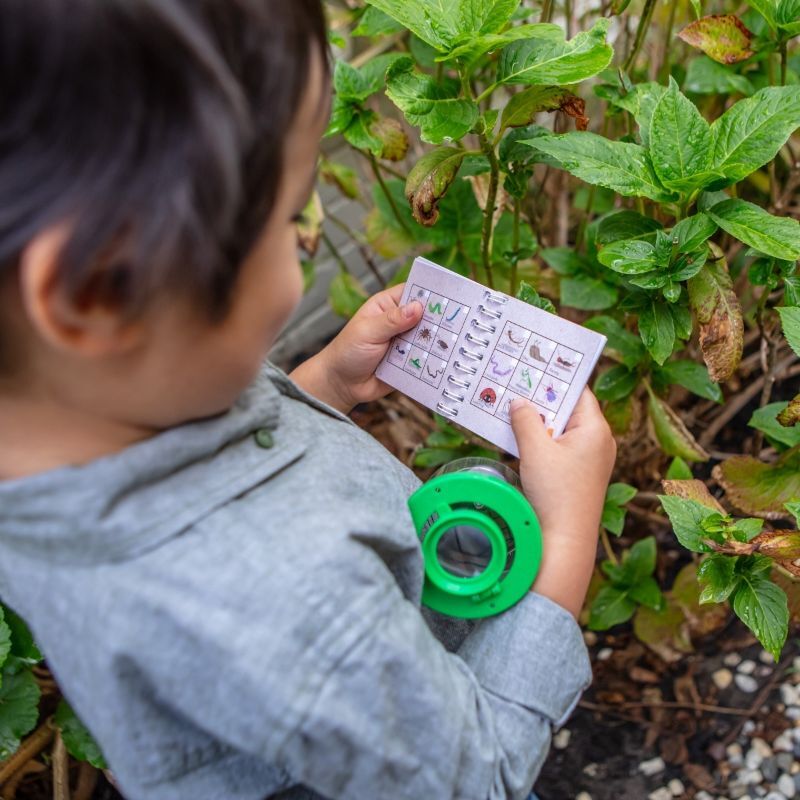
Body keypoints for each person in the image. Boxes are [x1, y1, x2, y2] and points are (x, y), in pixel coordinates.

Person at [0, 1, 616, 798]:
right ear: (95, 291)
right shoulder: (284, 605)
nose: (303, 245)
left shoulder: (72, 412)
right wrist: (564, 550)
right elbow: (474, 778)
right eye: (287, 217)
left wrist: (321, 382)